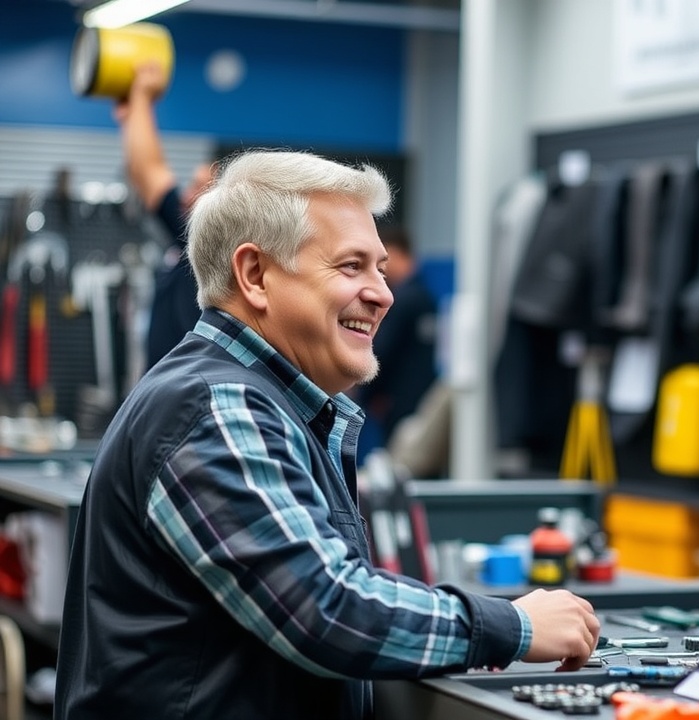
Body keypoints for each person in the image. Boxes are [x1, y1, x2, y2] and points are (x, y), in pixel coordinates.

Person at [54, 150, 601, 720]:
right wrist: (513, 625)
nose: (383, 293)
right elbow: (324, 606)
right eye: (351, 266)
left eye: (381, 268)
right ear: (255, 275)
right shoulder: (217, 407)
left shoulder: (265, 404)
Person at [113, 60, 213, 368]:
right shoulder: (186, 243)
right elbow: (140, 171)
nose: (185, 194)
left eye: (198, 187)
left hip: (183, 387)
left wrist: (142, 96)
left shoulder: (206, 240)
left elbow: (149, 172)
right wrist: (133, 118)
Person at [352, 224, 438, 464]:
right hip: (421, 399)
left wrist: (366, 391)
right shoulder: (426, 297)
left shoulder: (403, 300)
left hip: (397, 402)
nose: (381, 270)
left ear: (399, 254)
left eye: (383, 261)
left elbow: (382, 351)